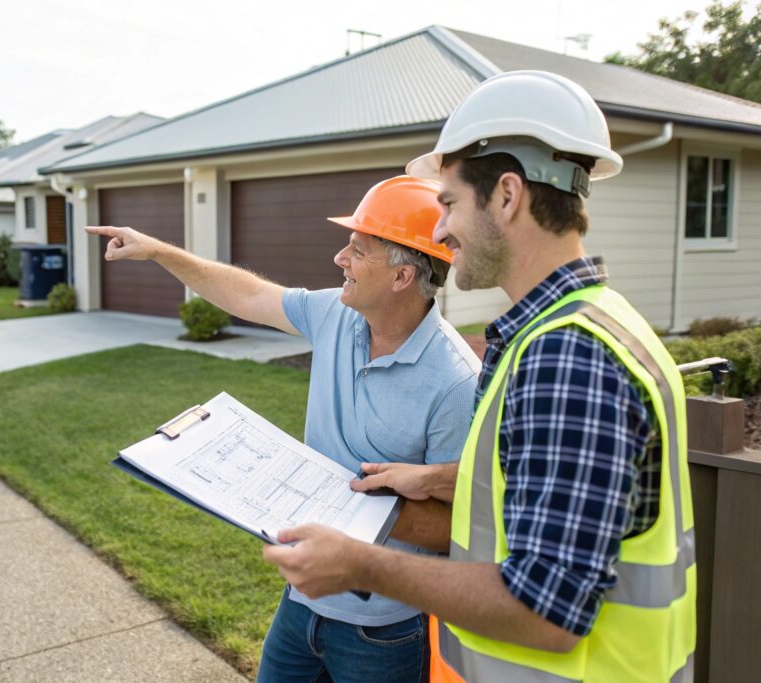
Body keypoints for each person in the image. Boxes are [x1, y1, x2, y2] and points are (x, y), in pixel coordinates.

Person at [263, 70, 696, 682]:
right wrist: (446, 477)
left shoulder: (566, 356)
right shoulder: (590, 323)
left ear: (507, 195)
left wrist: (362, 565)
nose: (439, 232)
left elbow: (546, 608)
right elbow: (554, 482)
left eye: (448, 204)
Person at [85, 175, 481, 683]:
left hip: (381, 630)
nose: (340, 258)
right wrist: (159, 251)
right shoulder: (336, 314)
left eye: (358, 250)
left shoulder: (455, 382)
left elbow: (455, 527)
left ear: (402, 276)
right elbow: (250, 295)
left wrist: (341, 503)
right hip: (300, 602)